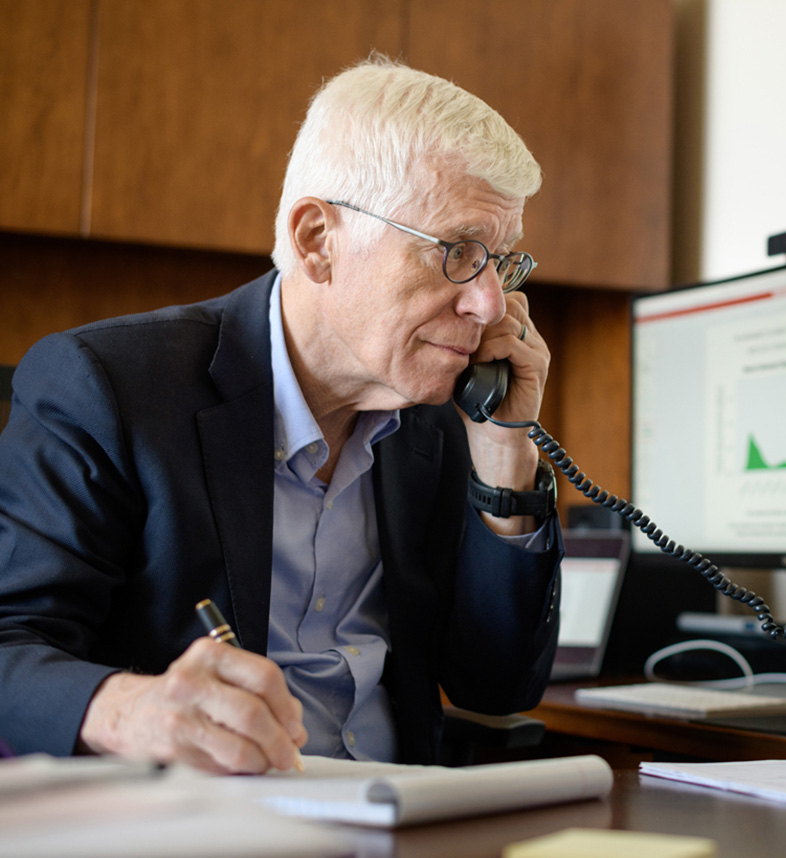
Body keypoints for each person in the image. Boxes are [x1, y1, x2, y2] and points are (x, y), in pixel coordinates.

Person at [0, 57, 562, 774]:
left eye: (502, 263)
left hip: (406, 823)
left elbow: (498, 689)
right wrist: (129, 710)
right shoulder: (105, 389)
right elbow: (9, 646)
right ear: (318, 243)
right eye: (458, 252)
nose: (488, 303)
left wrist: (504, 454)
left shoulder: (431, 421)